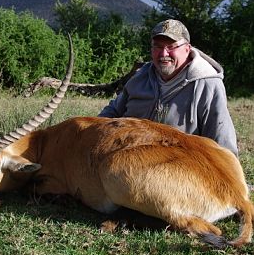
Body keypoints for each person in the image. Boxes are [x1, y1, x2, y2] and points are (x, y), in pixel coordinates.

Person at [99, 19, 238, 156]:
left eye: (171, 47)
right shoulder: (139, 77)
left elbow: (223, 142)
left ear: (187, 49)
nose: (164, 54)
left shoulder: (208, 85)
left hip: (179, 168)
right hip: (128, 161)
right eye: (158, 46)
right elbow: (113, 112)